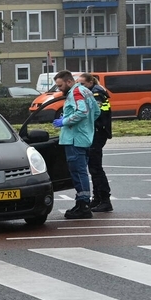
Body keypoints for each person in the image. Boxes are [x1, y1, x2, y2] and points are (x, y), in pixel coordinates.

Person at [52, 70, 100, 219]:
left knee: (78, 173)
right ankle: (81, 202)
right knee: (81, 172)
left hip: (74, 139)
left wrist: (65, 122)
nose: (59, 89)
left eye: (60, 85)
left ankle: (83, 205)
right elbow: (96, 112)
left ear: (68, 82)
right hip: (84, 137)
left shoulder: (76, 92)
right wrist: (87, 127)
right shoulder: (86, 91)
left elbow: (81, 112)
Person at [78, 72, 113, 212]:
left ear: (90, 83)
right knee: (93, 167)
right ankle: (97, 199)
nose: (80, 87)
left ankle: (105, 200)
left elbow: (94, 114)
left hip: (98, 133)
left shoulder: (96, 94)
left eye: (82, 84)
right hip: (97, 131)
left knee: (96, 168)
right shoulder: (94, 92)